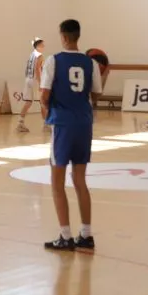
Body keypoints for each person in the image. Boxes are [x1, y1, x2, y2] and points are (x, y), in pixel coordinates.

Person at [41, 20, 102, 252]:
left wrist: (49, 111)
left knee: (57, 182)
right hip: (84, 123)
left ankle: (65, 236)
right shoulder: (90, 62)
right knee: (80, 180)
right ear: (78, 35)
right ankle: (86, 234)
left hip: (63, 124)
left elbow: (44, 95)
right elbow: (96, 94)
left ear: (63, 36)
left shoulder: (53, 61)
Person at [18, 38, 45, 134]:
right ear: (37, 46)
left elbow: (28, 68)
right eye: (42, 45)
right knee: (43, 102)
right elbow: (37, 69)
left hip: (28, 79)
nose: (44, 46)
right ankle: (46, 124)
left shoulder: (31, 54)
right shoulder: (40, 56)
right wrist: (40, 82)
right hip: (35, 80)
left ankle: (20, 123)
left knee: (28, 102)